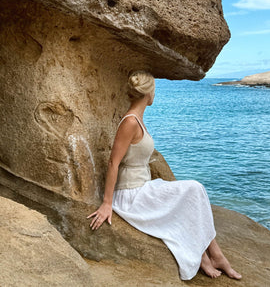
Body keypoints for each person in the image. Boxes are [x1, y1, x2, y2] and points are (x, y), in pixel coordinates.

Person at [86, 70, 242, 281]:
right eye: (155, 91)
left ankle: (213, 255)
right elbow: (113, 162)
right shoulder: (130, 122)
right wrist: (107, 203)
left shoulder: (137, 120)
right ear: (149, 94)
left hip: (143, 187)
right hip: (131, 195)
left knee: (194, 194)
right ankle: (210, 257)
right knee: (194, 189)